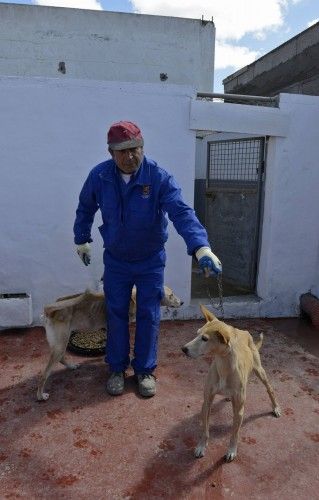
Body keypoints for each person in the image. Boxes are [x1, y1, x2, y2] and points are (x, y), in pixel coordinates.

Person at [73, 121, 222, 398]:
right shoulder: (100, 177)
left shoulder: (158, 177)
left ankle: (144, 370)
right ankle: (117, 368)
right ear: (110, 152)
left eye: (135, 149)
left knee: (148, 314)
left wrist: (201, 247)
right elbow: (85, 207)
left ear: (142, 147)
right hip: (116, 260)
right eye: (122, 152)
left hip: (150, 261)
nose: (130, 157)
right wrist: (81, 238)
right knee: (116, 313)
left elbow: (181, 212)